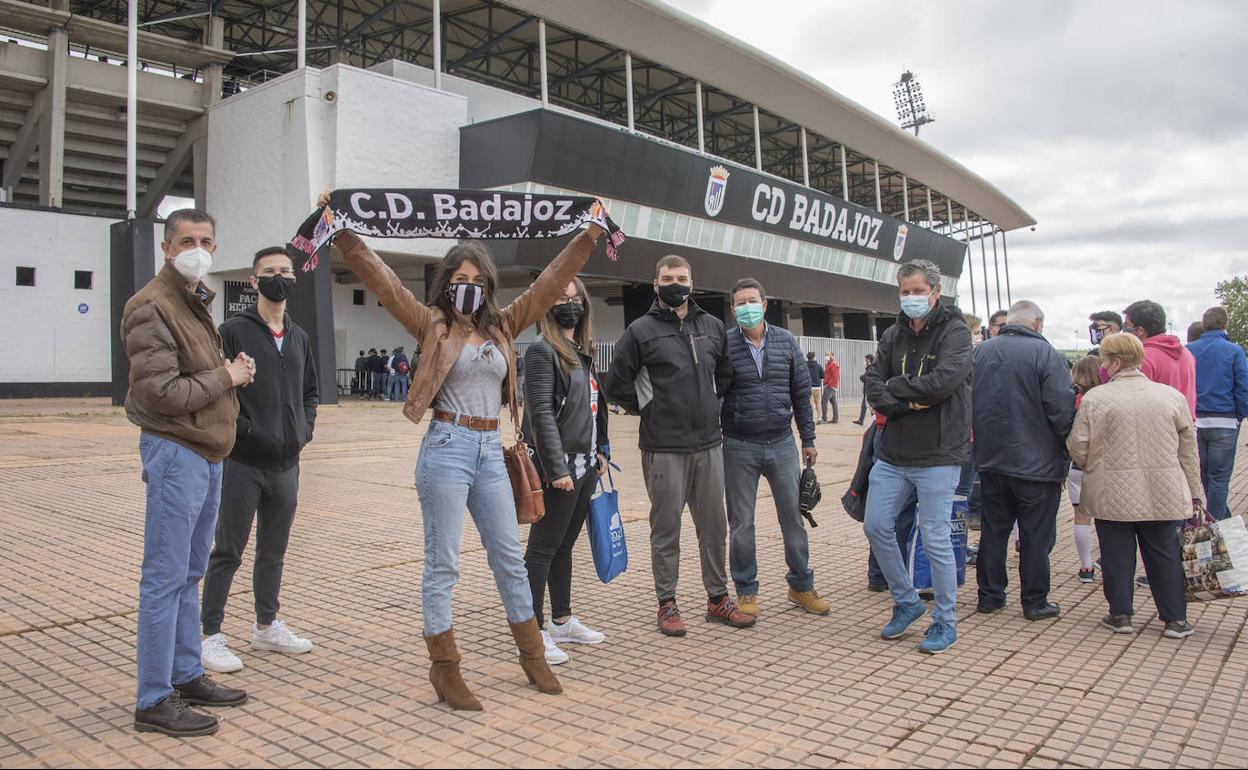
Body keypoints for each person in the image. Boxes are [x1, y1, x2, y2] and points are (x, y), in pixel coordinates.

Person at [321, 191, 609, 710]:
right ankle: (446, 669)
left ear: (490, 286)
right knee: (444, 564)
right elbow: (384, 283)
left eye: (478, 281)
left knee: (508, 560)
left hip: (490, 448)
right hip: (447, 446)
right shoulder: (429, 322)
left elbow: (548, 285)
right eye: (460, 281)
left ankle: (532, 656)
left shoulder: (503, 325)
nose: (469, 289)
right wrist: (343, 233)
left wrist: (588, 235)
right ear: (445, 284)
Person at [121, 208, 254, 736]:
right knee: (164, 577)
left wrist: (223, 378)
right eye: (186, 240)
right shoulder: (151, 305)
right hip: (177, 450)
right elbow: (162, 392)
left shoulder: (195, 301)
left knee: (190, 573)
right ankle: (153, 698)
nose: (197, 248)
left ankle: (184, 673)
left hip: (207, 452)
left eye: (206, 240)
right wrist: (226, 376)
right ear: (167, 247)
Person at [607, 254, 755, 637]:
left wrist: (707, 402)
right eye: (668, 278)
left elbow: (724, 374)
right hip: (663, 446)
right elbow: (616, 382)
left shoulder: (712, 326)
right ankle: (667, 602)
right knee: (666, 526)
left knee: (714, 525)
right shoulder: (640, 331)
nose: (676, 283)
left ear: (693, 281)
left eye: (682, 277)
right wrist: (650, 408)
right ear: (655, 284)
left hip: (708, 443)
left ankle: (717, 598)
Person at [201, 246, 319, 674]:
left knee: (274, 550)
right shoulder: (232, 330)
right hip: (244, 462)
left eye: (285, 271)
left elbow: (310, 392)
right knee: (228, 548)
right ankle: (209, 634)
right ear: (253, 281)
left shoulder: (300, 336)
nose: (278, 277)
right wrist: (247, 431)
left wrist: (304, 429)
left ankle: (266, 625)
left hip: (287, 463)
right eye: (269, 272)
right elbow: (219, 389)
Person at [862, 259, 971, 655]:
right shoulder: (892, 334)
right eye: (904, 291)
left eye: (917, 291)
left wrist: (896, 391)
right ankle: (907, 602)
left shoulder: (955, 333)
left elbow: (943, 382)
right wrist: (908, 400)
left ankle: (945, 621)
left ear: (935, 292)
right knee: (876, 526)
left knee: (936, 538)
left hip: (939, 454)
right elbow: (873, 384)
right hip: (893, 453)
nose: (910, 298)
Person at [1067, 333, 1202, 639]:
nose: (1102, 366)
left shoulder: (1095, 399)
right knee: (1164, 553)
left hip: (1111, 487)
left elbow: (1079, 447)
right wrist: (1195, 492)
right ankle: (1175, 618)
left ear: (1115, 362)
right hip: (1163, 487)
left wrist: (1093, 463)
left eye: (1104, 359)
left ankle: (1121, 614)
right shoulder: (1171, 397)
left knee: (1116, 554)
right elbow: (1188, 451)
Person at [720, 278, 827, 618]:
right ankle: (746, 590)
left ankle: (801, 585)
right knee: (741, 523)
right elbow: (715, 393)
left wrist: (808, 439)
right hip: (739, 444)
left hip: (782, 443)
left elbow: (801, 393)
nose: (747, 307)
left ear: (764, 304)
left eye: (752, 301)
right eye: (740, 303)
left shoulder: (785, 341)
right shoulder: (724, 345)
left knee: (792, 519)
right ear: (733, 308)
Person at [521, 277, 610, 665]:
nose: (570, 304)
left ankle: (561, 619)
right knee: (542, 549)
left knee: (564, 546)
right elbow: (540, 414)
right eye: (560, 297)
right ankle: (532, 630)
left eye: (575, 298)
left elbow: (591, 407)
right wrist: (556, 468)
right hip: (559, 469)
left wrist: (601, 450)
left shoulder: (580, 349)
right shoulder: (543, 351)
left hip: (584, 464)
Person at [971, 301, 1077, 621]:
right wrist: (1066, 448)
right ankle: (1034, 600)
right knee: (1034, 536)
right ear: (1038, 323)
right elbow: (1061, 411)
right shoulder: (1047, 355)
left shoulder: (981, 353)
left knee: (994, 532)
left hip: (991, 460)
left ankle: (990, 596)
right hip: (1038, 464)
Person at [1186, 306, 1248, 520]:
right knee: (1219, 479)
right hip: (1225, 419)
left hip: (1195, 420)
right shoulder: (1234, 350)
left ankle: (1222, 521)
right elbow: (1242, 387)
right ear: (1225, 324)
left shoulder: (1189, 349)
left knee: (1205, 475)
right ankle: (1216, 528)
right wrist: (1240, 415)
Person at [1124, 300, 1196, 418]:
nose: (1124, 331)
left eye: (1127, 326)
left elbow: (1138, 402)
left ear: (1140, 331)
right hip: (1185, 425)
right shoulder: (1186, 353)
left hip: (1157, 428)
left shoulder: (1142, 357)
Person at [1068, 356, 1103, 582]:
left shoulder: (1074, 400)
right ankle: (1108, 560)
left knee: (1080, 517)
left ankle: (1086, 567)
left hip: (1076, 464)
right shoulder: (1104, 400)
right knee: (1106, 519)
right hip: (1101, 465)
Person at [853, 354, 875, 425]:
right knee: (864, 405)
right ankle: (861, 420)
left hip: (869, 390)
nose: (864, 361)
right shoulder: (869, 368)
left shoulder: (871, 368)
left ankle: (874, 419)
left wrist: (861, 377)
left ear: (868, 360)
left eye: (865, 359)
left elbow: (866, 378)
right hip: (867, 390)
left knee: (870, 406)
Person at [821, 352, 841, 423]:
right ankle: (835, 418)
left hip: (830, 386)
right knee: (833, 402)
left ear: (832, 356)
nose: (826, 356)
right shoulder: (829, 364)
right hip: (831, 385)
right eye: (825, 355)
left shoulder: (833, 364)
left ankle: (824, 418)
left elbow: (835, 376)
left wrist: (829, 384)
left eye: (827, 355)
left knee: (824, 401)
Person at [805, 351, 824, 420]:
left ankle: (811, 418)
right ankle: (819, 418)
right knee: (818, 403)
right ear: (814, 357)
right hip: (817, 387)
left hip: (809, 387)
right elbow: (823, 375)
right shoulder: (818, 366)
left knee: (811, 404)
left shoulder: (805, 366)